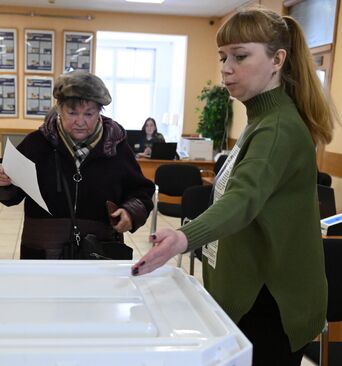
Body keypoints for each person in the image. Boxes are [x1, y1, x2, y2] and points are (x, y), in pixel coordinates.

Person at [132, 7, 338, 366]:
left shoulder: (276, 127)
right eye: (223, 57)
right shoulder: (261, 118)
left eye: (240, 56)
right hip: (248, 290)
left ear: (277, 60)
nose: (226, 68)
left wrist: (184, 237)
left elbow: (243, 199)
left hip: (270, 299)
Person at [0, 71, 155, 259]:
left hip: (99, 252)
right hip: (43, 252)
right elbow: (11, 194)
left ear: (100, 112)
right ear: (59, 108)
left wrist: (130, 213)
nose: (80, 121)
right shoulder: (38, 143)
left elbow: (141, 191)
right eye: (72, 113)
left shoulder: (115, 146)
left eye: (89, 114)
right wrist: (2, 180)